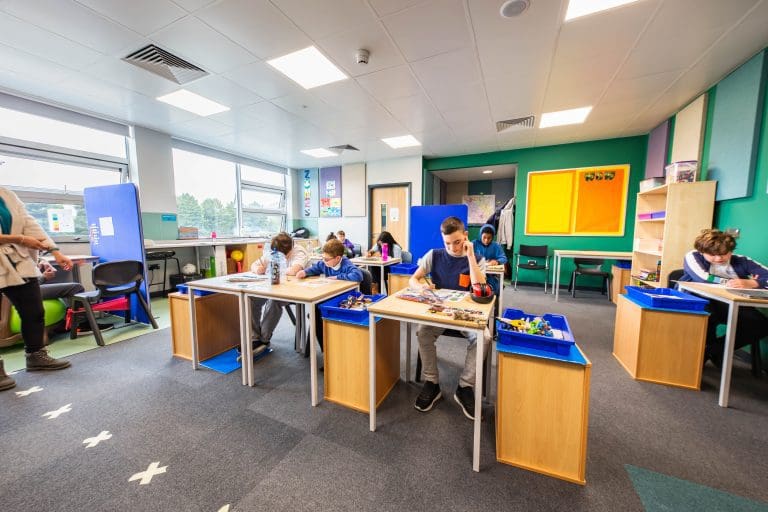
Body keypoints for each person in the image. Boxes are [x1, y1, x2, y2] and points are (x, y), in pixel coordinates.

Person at [409, 216, 489, 419]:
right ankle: (432, 382)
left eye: (457, 242)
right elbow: (413, 279)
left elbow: (480, 288)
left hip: (466, 313)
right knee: (423, 332)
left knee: (485, 337)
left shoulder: (478, 259)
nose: (453, 248)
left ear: (466, 236)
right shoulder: (434, 255)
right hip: (441, 311)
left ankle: (465, 387)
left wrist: (470, 257)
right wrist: (421, 288)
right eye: (447, 243)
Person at [1, 187, 72, 392]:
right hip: (9, 255)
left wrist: (55, 251)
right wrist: (20, 240)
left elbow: (29, 223)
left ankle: (36, 355)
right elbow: (23, 236)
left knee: (34, 311)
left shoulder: (6, 194)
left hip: (17, 261)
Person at [679, 228, 768, 367]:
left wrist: (752, 283)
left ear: (730, 251)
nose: (718, 258)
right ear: (702, 251)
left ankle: (712, 351)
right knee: (707, 315)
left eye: (724, 254)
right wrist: (736, 282)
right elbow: (703, 278)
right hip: (698, 299)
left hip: (730, 303)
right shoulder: (693, 255)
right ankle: (697, 358)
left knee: (761, 324)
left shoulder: (742, 261)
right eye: (712, 255)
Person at [247, 232, 308, 356]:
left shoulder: (299, 252)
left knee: (274, 300)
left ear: (291, 247)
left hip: (294, 291)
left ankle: (264, 338)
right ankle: (254, 338)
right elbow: (254, 264)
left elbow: (294, 270)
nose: (280, 256)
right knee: (251, 299)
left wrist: (272, 269)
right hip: (273, 286)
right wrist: (258, 269)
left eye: (283, 254)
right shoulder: (273, 251)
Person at [296, 238, 363, 348]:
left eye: (326, 259)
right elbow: (315, 268)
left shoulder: (346, 264)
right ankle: (326, 348)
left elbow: (358, 275)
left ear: (338, 258)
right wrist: (304, 272)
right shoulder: (324, 264)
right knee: (315, 311)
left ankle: (331, 347)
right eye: (323, 258)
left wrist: (337, 277)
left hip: (344, 300)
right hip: (330, 296)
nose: (324, 261)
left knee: (317, 313)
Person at [472, 223, 508, 295]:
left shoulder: (496, 246)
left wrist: (497, 261)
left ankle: (495, 298)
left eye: (489, 238)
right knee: (476, 289)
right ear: (480, 235)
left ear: (492, 237)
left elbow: (504, 258)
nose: (486, 240)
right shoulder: (474, 243)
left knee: (494, 289)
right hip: (476, 273)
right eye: (484, 237)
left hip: (490, 275)